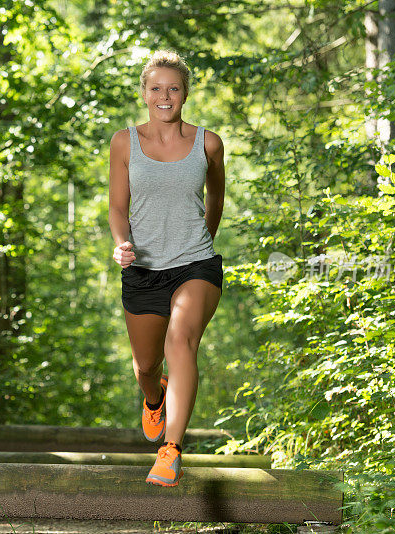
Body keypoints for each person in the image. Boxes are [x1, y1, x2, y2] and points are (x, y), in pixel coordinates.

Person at [107, 50, 225, 487]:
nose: (164, 95)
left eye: (173, 88)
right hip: (143, 270)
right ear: (144, 93)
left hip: (196, 264)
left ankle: (170, 450)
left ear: (185, 94)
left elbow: (216, 199)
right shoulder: (125, 142)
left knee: (182, 339)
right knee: (145, 367)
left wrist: (202, 240)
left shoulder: (208, 143)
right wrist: (123, 244)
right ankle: (153, 400)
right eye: (156, 87)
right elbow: (119, 208)